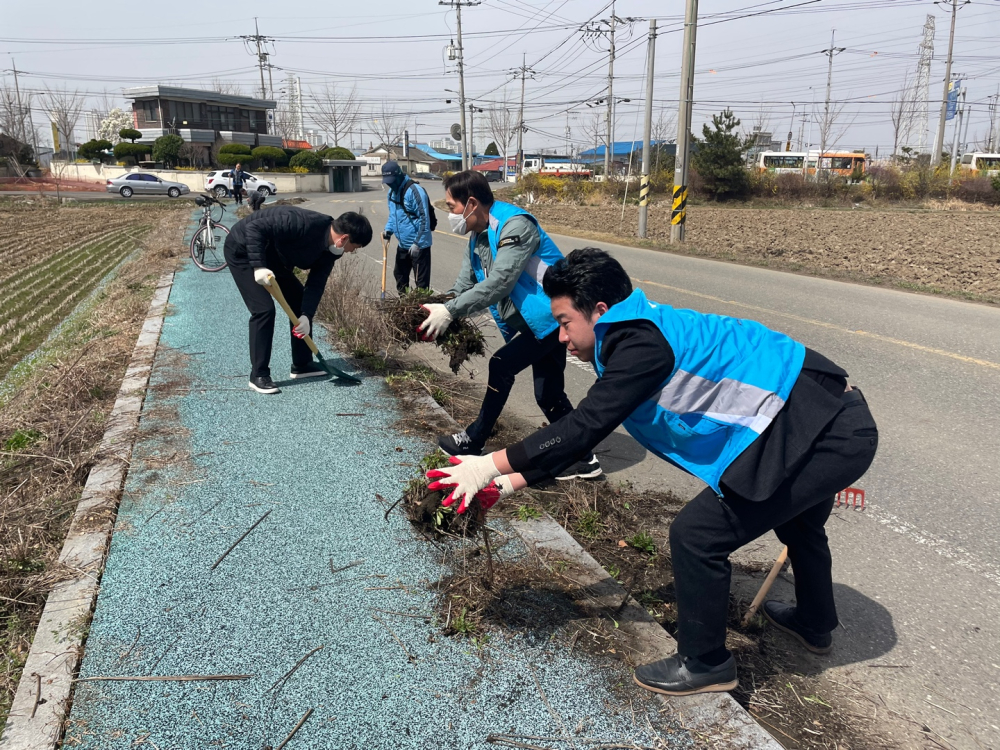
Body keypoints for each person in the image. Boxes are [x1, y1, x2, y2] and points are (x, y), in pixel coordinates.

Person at [426, 248, 879, 697]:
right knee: (798, 523)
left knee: (697, 536)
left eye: (564, 322)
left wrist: (487, 464)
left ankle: (706, 664)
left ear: (599, 311)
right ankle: (815, 624)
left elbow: (581, 429)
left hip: (826, 428)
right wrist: (506, 482)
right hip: (821, 412)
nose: (560, 337)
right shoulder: (631, 335)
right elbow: (586, 431)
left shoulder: (640, 345)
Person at [420, 170, 601, 481]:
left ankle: (474, 440)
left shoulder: (516, 225)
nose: (449, 213)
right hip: (539, 322)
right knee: (548, 393)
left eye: (451, 206)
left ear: (471, 203)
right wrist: (438, 307)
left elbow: (501, 281)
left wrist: (450, 312)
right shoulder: (478, 235)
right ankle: (583, 459)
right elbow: (465, 282)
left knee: (502, 365)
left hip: (554, 317)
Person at [224, 206, 373, 394]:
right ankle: (259, 374)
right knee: (264, 309)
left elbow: (316, 283)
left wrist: (305, 315)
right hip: (243, 250)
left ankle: (302, 365)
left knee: (300, 302)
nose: (352, 252)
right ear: (344, 239)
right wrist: (258, 266)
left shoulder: (332, 250)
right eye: (355, 247)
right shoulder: (300, 222)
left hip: (273, 257)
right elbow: (254, 228)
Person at [381, 161, 433, 294]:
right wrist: (388, 229)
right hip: (403, 245)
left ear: (399, 175)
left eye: (392, 181)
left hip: (419, 246)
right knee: (399, 275)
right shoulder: (392, 193)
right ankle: (404, 305)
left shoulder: (415, 191)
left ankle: (421, 310)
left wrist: (417, 243)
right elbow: (393, 215)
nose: (390, 184)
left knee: (420, 283)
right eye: (387, 182)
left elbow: (424, 219)